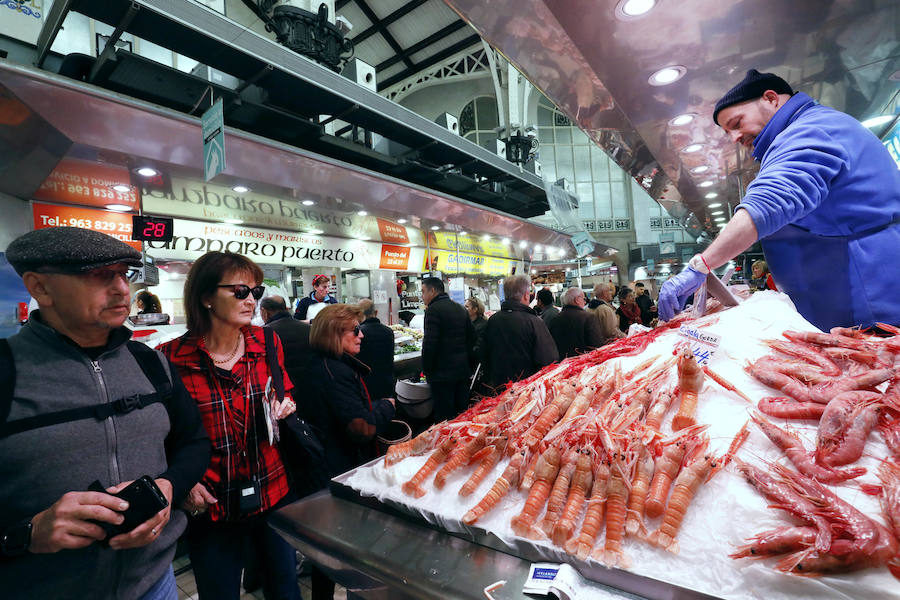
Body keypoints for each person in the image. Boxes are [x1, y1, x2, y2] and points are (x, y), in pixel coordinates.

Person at [0, 227, 210, 600]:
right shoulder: (6, 372)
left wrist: (169, 487)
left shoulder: (151, 364)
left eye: (123, 274)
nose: (122, 290)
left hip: (154, 582)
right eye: (99, 275)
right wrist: (26, 533)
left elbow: (193, 442)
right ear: (40, 288)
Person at [659, 69, 900, 330]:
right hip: (853, 309)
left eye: (737, 123)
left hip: (872, 307)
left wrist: (701, 266)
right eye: (728, 133)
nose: (735, 138)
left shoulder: (810, 131)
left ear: (771, 99)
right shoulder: (807, 128)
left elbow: (768, 203)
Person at [158, 252, 301, 600]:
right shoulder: (169, 358)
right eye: (239, 291)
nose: (251, 300)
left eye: (256, 291)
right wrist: (184, 484)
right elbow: (161, 437)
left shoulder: (267, 342)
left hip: (272, 487)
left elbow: (284, 389)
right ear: (206, 297)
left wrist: (286, 404)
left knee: (284, 587)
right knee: (219, 591)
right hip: (210, 502)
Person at [481, 274, 558, 390]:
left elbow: (483, 353)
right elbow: (549, 360)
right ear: (527, 296)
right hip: (527, 391)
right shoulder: (534, 322)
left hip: (498, 387)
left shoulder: (493, 320)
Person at [420, 277, 475, 421]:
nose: (422, 296)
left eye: (423, 291)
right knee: (461, 415)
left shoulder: (433, 310)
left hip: (441, 375)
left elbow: (430, 343)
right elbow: (472, 338)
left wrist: (426, 370)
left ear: (432, 291)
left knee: (444, 417)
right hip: (462, 372)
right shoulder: (460, 308)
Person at [261, 295, 312, 391]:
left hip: (283, 393)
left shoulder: (264, 334)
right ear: (286, 309)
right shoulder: (310, 330)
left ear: (264, 312)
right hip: (311, 388)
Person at [355, 299, 395, 402]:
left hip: (367, 388)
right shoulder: (388, 331)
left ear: (359, 314)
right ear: (376, 312)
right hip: (387, 384)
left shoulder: (359, 333)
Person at [548, 287, 605, 359]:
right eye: (584, 299)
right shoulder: (588, 318)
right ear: (577, 300)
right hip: (584, 364)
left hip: (562, 365)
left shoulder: (554, 319)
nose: (585, 302)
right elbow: (597, 345)